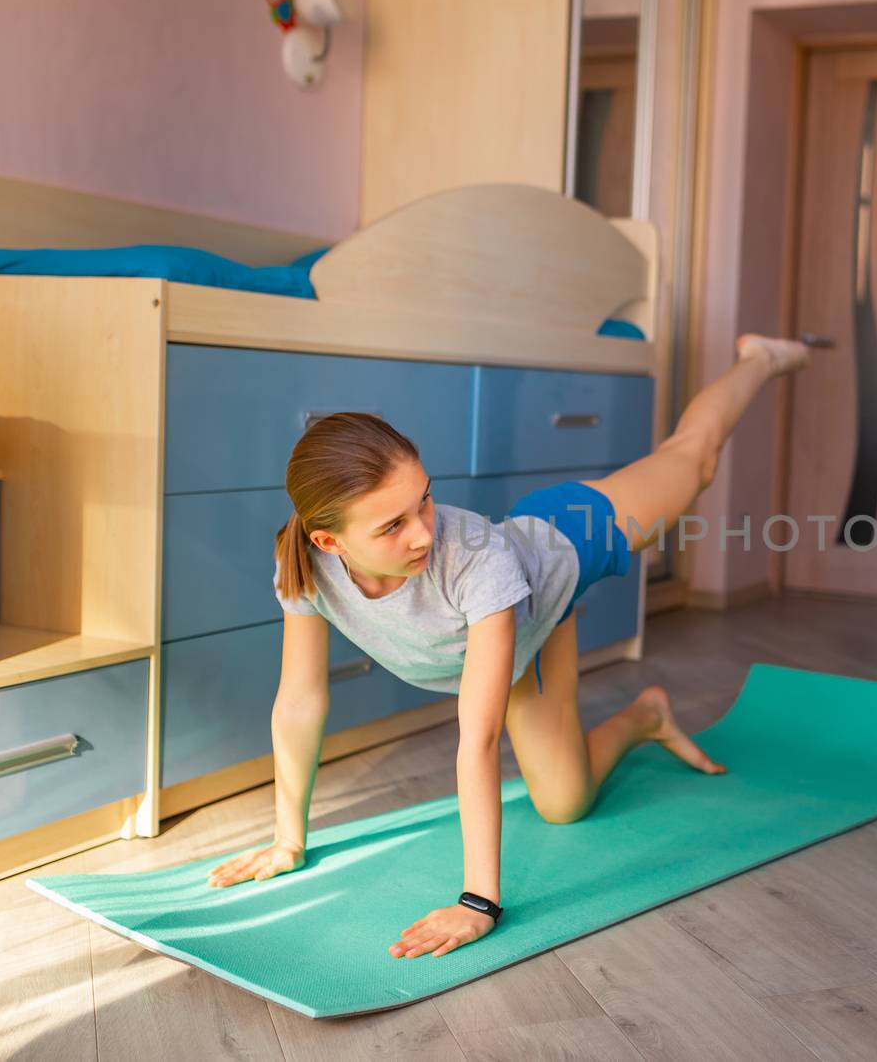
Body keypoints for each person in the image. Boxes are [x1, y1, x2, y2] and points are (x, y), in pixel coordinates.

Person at [205, 334, 815, 962]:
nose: (422, 533)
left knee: (696, 461)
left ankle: (760, 358)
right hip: (514, 631)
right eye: (392, 525)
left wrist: (477, 903)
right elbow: (300, 702)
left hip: (569, 536)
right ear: (329, 542)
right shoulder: (304, 568)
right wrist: (287, 840)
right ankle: (647, 717)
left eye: (425, 500)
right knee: (564, 804)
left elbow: (479, 740)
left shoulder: (477, 561)